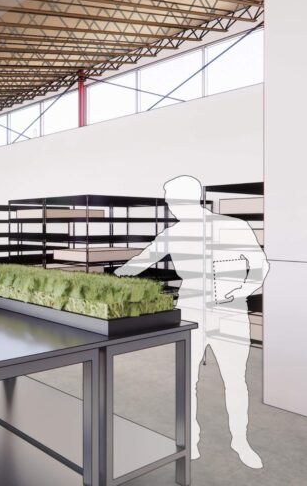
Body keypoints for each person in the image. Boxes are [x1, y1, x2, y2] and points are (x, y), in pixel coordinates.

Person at [114, 175, 268, 469]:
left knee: (235, 380)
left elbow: (260, 266)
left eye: (173, 202)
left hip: (230, 311)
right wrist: (113, 275)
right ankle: (190, 442)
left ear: (187, 200)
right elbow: (142, 260)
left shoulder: (232, 226)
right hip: (190, 313)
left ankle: (240, 440)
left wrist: (239, 290)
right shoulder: (173, 234)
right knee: (188, 380)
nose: (171, 208)